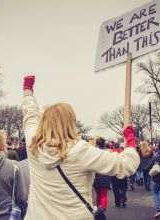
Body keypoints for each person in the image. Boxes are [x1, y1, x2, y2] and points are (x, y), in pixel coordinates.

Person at [21, 75, 140, 220]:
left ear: (44, 121)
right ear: (71, 123)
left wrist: (28, 92)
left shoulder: (33, 145)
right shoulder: (79, 151)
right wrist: (130, 140)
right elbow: (126, 165)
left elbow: (30, 115)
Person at [93, 137, 111, 211]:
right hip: (106, 174)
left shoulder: (94, 152)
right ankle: (103, 207)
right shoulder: (108, 152)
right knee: (104, 194)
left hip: (96, 175)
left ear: (97, 144)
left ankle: (98, 207)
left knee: (98, 194)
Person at [108, 142, 129, 208]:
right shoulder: (123, 153)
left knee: (115, 188)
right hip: (123, 173)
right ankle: (123, 200)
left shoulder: (111, 154)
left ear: (114, 147)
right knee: (123, 188)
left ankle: (117, 202)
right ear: (119, 147)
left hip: (114, 174)